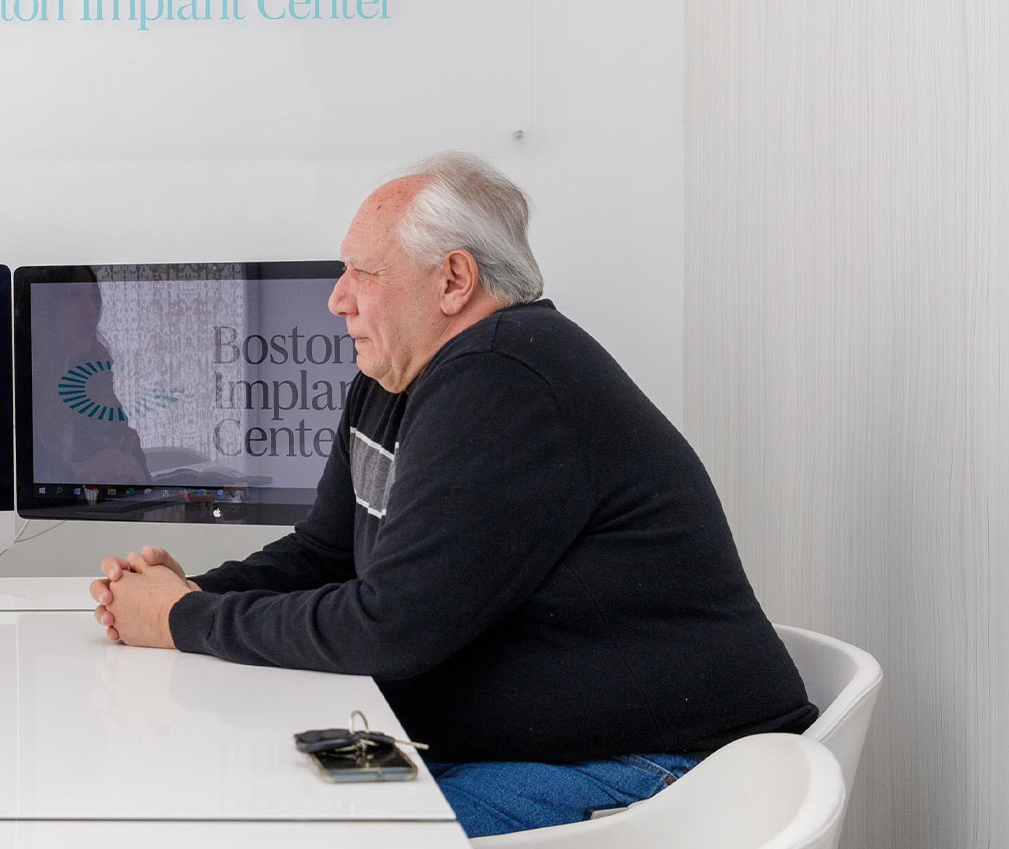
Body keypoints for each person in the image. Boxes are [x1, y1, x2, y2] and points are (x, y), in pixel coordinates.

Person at [88, 153, 816, 837]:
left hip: (662, 772)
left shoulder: (506, 379)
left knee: (286, 825)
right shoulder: (398, 378)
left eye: (364, 273)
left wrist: (184, 619)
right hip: (527, 745)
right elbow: (327, 551)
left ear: (453, 281)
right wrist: (180, 593)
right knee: (249, 791)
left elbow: (390, 627)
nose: (337, 298)